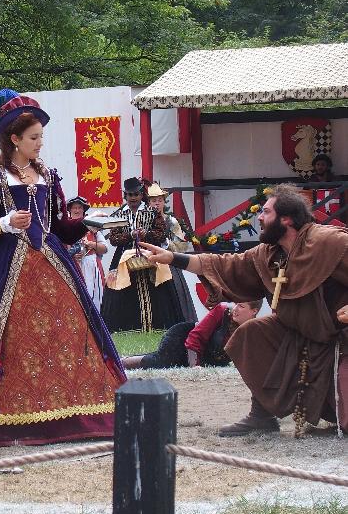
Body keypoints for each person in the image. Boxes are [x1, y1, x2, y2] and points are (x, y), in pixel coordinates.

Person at [0, 90, 125, 448]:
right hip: (6, 265)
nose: (39, 143)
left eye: (41, 137)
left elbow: (60, 227)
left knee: (65, 332)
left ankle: (71, 413)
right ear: (14, 139)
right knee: (13, 340)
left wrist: (89, 223)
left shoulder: (48, 175)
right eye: (34, 137)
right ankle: (11, 418)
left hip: (51, 262)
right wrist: (6, 223)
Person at [142, 183, 348, 437]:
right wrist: (173, 258)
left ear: (286, 219)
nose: (259, 217)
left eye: (266, 212)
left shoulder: (330, 242)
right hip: (297, 333)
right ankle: (261, 415)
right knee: (252, 333)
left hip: (341, 342)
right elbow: (226, 265)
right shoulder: (268, 254)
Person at [99, 177, 173, 333]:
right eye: (130, 194)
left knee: (156, 287)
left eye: (136, 194)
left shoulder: (152, 212)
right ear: (125, 195)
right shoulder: (118, 214)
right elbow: (113, 239)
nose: (133, 198)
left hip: (149, 254)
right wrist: (130, 235)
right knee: (123, 289)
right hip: (124, 257)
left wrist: (146, 234)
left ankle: (155, 325)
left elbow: (161, 234)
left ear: (141, 195)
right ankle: (128, 327)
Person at [122, 300, 262, 369]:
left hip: (201, 355)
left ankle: (123, 359)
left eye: (241, 306)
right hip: (183, 337)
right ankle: (121, 363)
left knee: (160, 359)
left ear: (254, 311)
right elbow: (195, 337)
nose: (235, 309)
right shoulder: (223, 310)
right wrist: (195, 365)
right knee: (161, 362)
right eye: (236, 304)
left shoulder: (254, 330)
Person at [145, 182, 197, 325]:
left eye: (159, 200)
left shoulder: (171, 221)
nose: (157, 203)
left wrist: (166, 243)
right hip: (148, 263)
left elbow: (182, 246)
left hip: (169, 264)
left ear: (164, 202)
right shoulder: (144, 221)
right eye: (153, 200)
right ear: (149, 203)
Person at [66, 197, 107, 311]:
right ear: (69, 210)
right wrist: (72, 255)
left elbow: (104, 248)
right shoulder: (65, 228)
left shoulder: (92, 226)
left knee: (95, 298)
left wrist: (92, 244)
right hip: (72, 266)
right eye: (74, 208)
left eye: (80, 208)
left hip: (91, 266)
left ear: (83, 210)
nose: (77, 210)